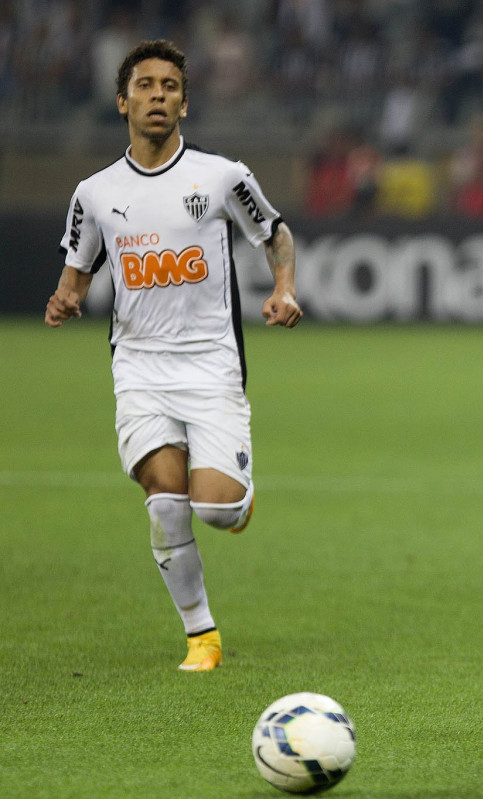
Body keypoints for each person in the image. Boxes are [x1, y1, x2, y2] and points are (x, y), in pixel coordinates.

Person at [45, 40, 303, 673]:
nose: (157, 96)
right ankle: (202, 637)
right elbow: (76, 272)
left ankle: (235, 500)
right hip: (139, 368)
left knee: (213, 507)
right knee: (163, 498)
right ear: (122, 101)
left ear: (185, 103)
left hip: (210, 365)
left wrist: (285, 288)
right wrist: (65, 299)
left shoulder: (220, 177)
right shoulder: (96, 193)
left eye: (168, 87)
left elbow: (274, 233)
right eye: (145, 86)